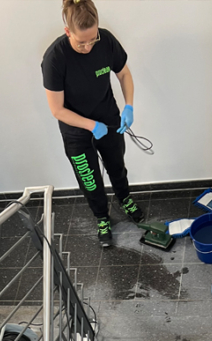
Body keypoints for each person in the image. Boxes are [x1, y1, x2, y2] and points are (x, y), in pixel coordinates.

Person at [42, 0, 144, 248]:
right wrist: (90, 125)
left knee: (116, 165)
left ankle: (125, 199)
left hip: (108, 119)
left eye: (92, 39)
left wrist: (129, 106)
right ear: (68, 32)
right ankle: (102, 218)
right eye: (81, 42)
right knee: (89, 179)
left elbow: (123, 73)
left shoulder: (106, 41)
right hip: (76, 130)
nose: (88, 47)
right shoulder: (55, 58)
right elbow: (57, 110)